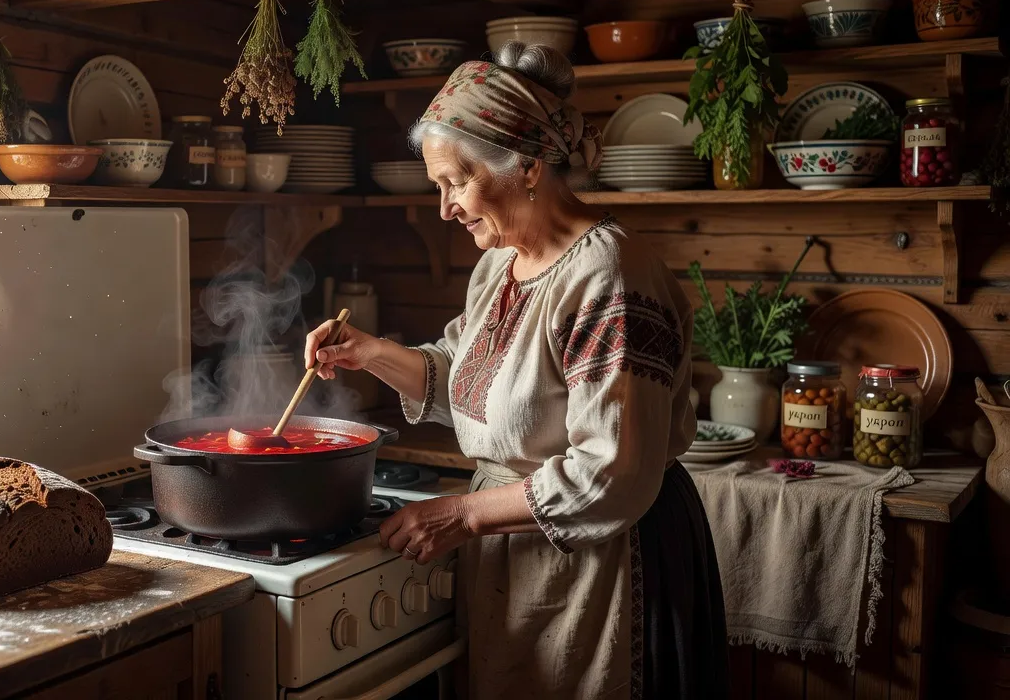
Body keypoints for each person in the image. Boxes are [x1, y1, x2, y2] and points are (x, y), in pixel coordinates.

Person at [304, 42, 727, 699]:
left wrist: (464, 515)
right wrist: (370, 352)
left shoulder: (607, 276)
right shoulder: (497, 264)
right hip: (520, 553)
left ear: (528, 166)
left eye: (456, 181)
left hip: (605, 563)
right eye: (436, 186)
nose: (444, 207)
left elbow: (610, 472)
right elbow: (473, 386)